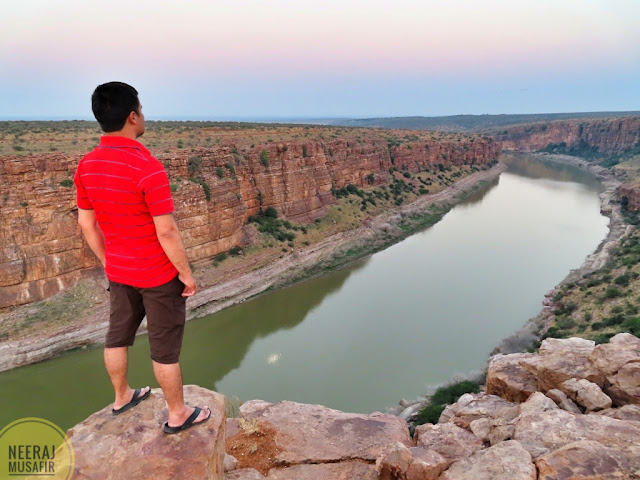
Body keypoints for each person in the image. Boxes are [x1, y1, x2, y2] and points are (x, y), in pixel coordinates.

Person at [74, 81, 211, 434]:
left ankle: (122, 397)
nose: (144, 115)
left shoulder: (86, 165)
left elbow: (87, 224)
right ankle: (178, 414)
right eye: (142, 109)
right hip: (157, 274)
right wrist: (186, 274)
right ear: (133, 116)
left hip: (119, 271)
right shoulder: (147, 167)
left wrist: (108, 261)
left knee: (117, 336)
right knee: (164, 348)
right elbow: (166, 231)